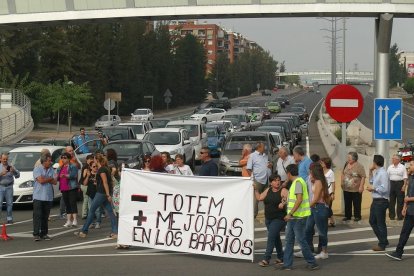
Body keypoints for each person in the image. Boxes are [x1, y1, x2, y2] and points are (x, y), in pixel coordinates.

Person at [282, 164, 319, 271]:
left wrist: (290, 214)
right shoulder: (297, 182)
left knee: (300, 240)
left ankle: (312, 262)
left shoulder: (298, 182)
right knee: (289, 240)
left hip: (297, 217)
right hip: (295, 217)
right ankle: (287, 264)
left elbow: (299, 200)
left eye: (286, 173)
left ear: (289, 173)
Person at [75, 154, 118, 238]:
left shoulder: (102, 170)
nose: (93, 160)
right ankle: (115, 232)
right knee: (110, 212)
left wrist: (108, 194)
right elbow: (105, 182)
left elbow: (105, 182)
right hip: (104, 192)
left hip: (101, 193)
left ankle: (84, 231)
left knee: (92, 210)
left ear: (97, 160)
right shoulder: (105, 168)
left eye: (94, 159)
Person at [255, 174, 288, 267]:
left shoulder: (283, 190)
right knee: (276, 237)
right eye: (275, 180)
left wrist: (283, 202)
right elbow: (260, 198)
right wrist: (255, 190)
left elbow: (287, 198)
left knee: (271, 237)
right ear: (271, 182)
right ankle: (281, 256)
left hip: (279, 219)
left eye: (278, 180)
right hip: (268, 219)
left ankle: (266, 259)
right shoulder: (268, 190)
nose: (277, 182)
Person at [385, 160, 414, 261]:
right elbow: (408, 194)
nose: (408, 166)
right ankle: (398, 253)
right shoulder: (410, 178)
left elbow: (409, 197)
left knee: (405, 232)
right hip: (410, 211)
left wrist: (408, 200)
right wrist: (405, 207)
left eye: (411, 165)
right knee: (404, 232)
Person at [304, 164, 331, 260]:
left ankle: (324, 251)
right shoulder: (317, 181)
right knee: (308, 228)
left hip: (319, 207)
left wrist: (305, 207)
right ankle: (308, 249)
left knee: (322, 231)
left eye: (311, 171)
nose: (309, 172)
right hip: (315, 208)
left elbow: (315, 199)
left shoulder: (319, 182)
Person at [367, 154, 390, 251]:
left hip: (381, 201)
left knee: (380, 223)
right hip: (376, 200)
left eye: (373, 161)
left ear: (375, 162)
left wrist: (373, 189)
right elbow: (371, 181)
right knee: (372, 221)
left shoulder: (383, 173)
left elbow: (384, 188)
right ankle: (383, 240)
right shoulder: (377, 172)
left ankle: (382, 244)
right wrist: (370, 171)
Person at [33, 152, 57, 241]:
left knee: (45, 216)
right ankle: (36, 234)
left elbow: (55, 182)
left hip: (48, 196)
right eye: (49, 161)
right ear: (44, 161)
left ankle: (44, 233)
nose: (50, 162)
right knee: (37, 216)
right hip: (38, 196)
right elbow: (41, 181)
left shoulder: (51, 169)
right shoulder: (37, 169)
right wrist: (49, 178)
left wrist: (47, 178)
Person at [247, 142, 272, 218]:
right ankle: (253, 215)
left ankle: (268, 214)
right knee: (255, 200)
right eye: (263, 146)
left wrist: (270, 165)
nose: (265, 148)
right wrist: (253, 179)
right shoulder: (252, 156)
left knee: (267, 198)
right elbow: (248, 168)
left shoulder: (265, 155)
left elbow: (269, 165)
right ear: (259, 147)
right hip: (257, 180)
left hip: (266, 180)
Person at [341, 152, 366, 222]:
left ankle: (357, 216)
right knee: (347, 202)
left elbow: (363, 176)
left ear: (354, 159)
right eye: (348, 157)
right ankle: (347, 216)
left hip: (356, 189)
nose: (348, 159)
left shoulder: (359, 166)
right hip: (346, 188)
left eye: (349, 158)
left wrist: (361, 186)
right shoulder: (346, 164)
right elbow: (342, 173)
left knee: (357, 203)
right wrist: (341, 182)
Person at [57, 152, 79, 227]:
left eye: (65, 158)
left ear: (69, 159)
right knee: (67, 204)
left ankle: (75, 220)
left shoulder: (73, 166)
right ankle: (69, 220)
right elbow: (57, 177)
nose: (63, 159)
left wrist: (66, 176)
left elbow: (74, 175)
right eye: (62, 158)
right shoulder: (60, 167)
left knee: (72, 203)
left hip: (71, 187)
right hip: (63, 188)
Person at [0, 153, 20, 224]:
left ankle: (9, 218)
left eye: (6, 159)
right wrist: (1, 174)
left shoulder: (11, 166)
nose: (5, 160)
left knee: (9, 204)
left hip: (9, 186)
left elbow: (18, 175)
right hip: (1, 186)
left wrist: (13, 171)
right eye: (4, 159)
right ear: (0, 159)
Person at [387, 154, 408, 220]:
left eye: (394, 158)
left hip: (400, 184)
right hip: (392, 184)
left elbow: (405, 177)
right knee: (391, 201)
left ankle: (400, 216)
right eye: (392, 158)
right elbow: (387, 177)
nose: (392, 160)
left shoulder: (402, 167)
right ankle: (392, 216)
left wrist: (404, 186)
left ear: (398, 160)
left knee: (400, 200)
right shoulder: (390, 167)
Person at [83, 161, 102, 229]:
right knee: (90, 209)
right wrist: (87, 176)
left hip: (98, 194)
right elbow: (85, 184)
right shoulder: (89, 174)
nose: (95, 168)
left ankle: (98, 222)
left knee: (98, 210)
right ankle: (91, 222)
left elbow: (102, 184)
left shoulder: (100, 174)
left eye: (96, 166)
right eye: (94, 166)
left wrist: (97, 184)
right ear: (90, 167)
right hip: (90, 193)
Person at [321, 157, 336, 227]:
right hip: (322, 192)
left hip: (329, 192)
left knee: (327, 207)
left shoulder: (331, 172)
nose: (321, 163)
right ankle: (332, 220)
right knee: (325, 207)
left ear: (325, 164)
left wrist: (333, 193)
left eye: (322, 163)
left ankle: (327, 221)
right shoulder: (320, 171)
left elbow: (333, 183)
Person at [80, 154, 94, 219]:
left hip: (83, 185)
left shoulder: (86, 166)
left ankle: (85, 213)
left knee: (86, 199)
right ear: (87, 160)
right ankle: (86, 214)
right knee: (87, 199)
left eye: (92, 159)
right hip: (85, 185)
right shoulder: (86, 167)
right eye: (90, 159)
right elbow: (83, 176)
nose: (91, 160)